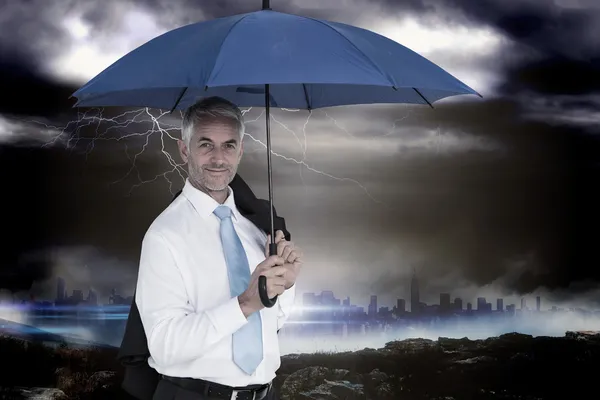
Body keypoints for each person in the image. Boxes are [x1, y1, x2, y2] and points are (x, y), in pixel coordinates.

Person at [135, 96, 303, 400]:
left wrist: (284, 286)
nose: (218, 158)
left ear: (240, 150)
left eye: (228, 145)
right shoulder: (164, 235)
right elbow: (164, 345)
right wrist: (245, 303)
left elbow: (271, 323)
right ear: (184, 149)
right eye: (205, 144)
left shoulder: (257, 229)